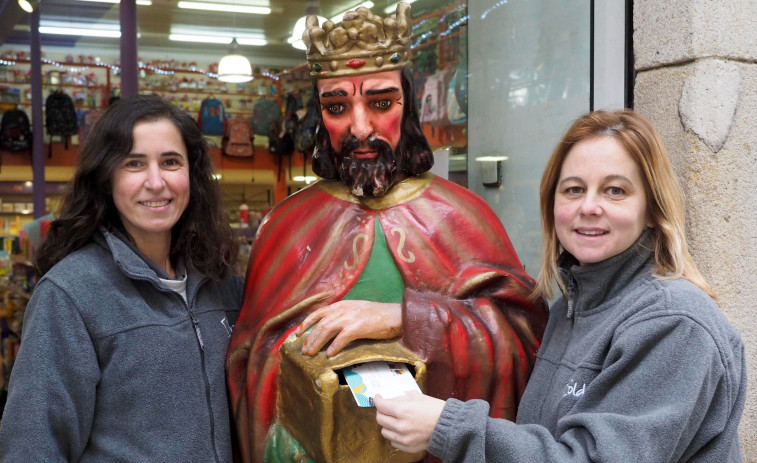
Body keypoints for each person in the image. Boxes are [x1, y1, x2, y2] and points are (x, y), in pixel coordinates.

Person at [225, 3, 548, 462]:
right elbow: (249, 362)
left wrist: (405, 317)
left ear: (408, 105)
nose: (360, 127)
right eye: (337, 107)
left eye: (380, 103)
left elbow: (522, 338)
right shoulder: (286, 224)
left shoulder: (461, 216)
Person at [374, 109, 747, 462]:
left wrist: (450, 428)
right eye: (573, 189)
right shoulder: (569, 309)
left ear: (651, 210)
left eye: (615, 191)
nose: (589, 206)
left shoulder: (674, 323)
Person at [0, 94, 243, 462]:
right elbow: (32, 447)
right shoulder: (70, 294)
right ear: (106, 177)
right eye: (134, 163)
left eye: (171, 162)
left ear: (191, 175)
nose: (156, 181)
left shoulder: (221, 281)